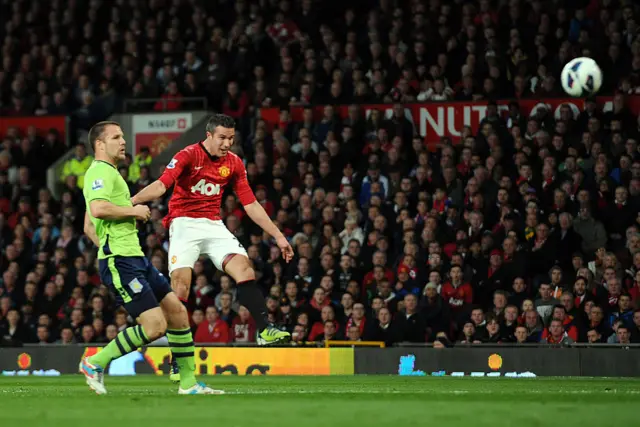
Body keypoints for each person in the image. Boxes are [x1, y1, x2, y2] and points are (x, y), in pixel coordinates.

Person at [132, 114, 294, 379]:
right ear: (209, 135)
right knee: (181, 285)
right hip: (183, 223)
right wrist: (131, 200)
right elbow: (162, 185)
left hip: (212, 224)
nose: (227, 143)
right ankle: (178, 358)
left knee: (245, 269)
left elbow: (250, 204)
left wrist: (278, 236)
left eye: (231, 138)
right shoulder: (188, 155)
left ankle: (265, 329)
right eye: (222, 137)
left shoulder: (234, 163)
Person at [79, 121, 220, 395]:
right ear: (99, 144)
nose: (123, 142)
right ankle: (94, 362)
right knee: (155, 327)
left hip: (134, 258)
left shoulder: (110, 174)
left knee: (178, 314)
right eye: (117, 137)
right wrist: (132, 213)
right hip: (122, 260)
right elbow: (97, 209)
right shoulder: (99, 172)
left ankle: (189, 385)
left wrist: (106, 245)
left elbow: (87, 224)